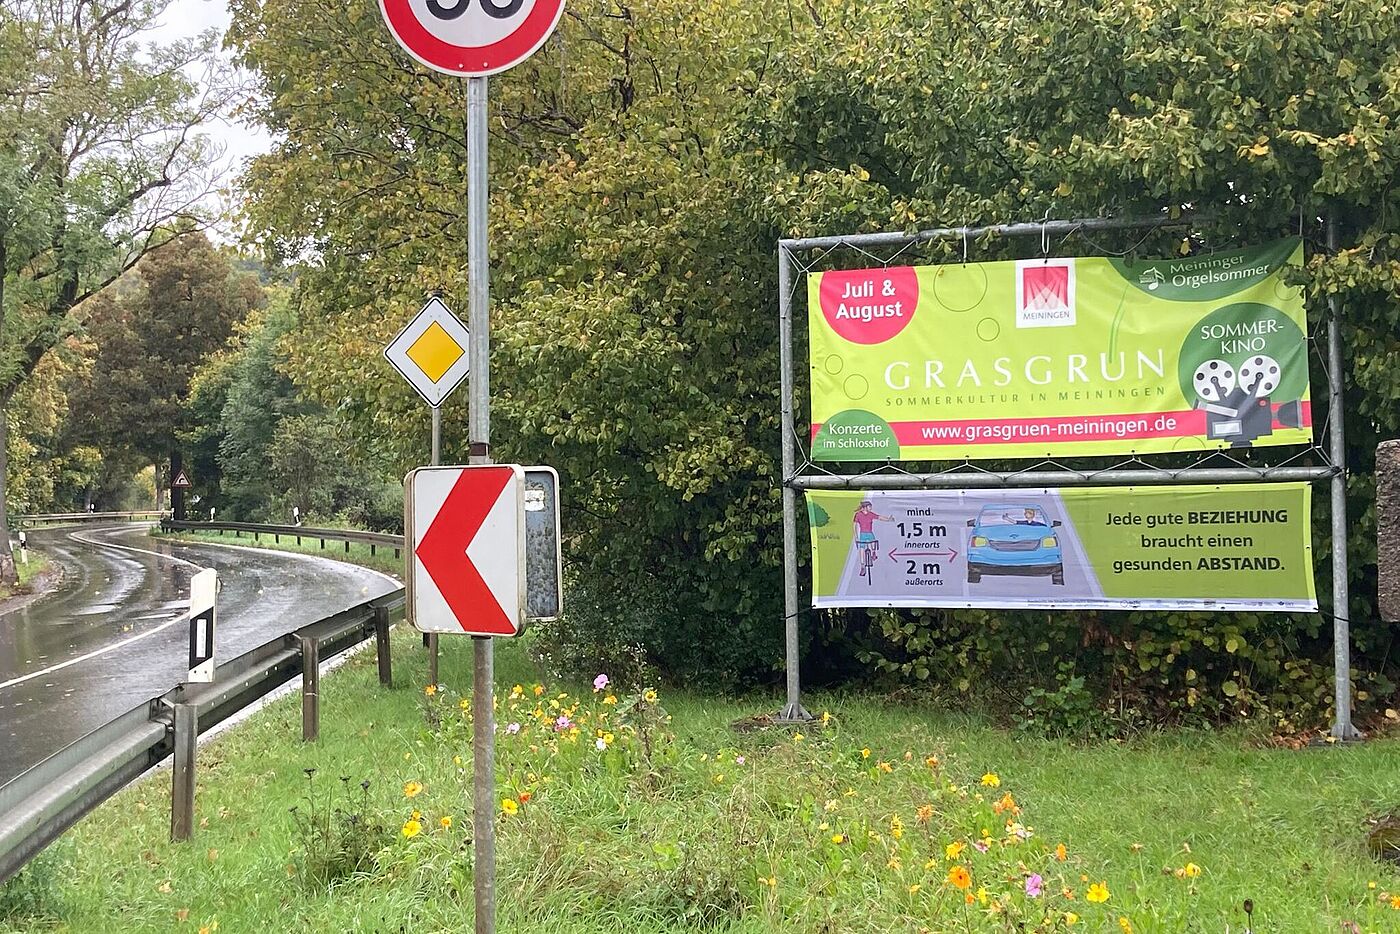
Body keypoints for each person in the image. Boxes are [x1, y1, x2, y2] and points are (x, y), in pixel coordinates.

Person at [853, 500, 893, 575]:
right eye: (869, 506)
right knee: (862, 549)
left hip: (869, 533)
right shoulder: (858, 515)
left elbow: (879, 517)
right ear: (865, 507)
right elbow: (854, 525)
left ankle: (873, 553)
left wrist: (888, 519)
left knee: (873, 542)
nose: (871, 508)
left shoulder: (870, 514)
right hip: (862, 534)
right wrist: (856, 536)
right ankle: (862, 566)